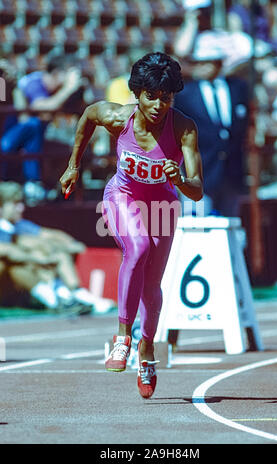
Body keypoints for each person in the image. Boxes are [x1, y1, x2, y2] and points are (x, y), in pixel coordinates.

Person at [60, 52, 203, 399]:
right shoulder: (116, 117)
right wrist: (73, 166)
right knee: (137, 247)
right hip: (122, 196)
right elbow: (87, 117)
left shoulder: (183, 128)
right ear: (137, 93)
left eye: (165, 98)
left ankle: (147, 350)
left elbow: (197, 191)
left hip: (163, 204)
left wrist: (180, 179)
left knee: (153, 282)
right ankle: (123, 337)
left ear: (173, 97)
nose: (157, 105)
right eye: (150, 96)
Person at [0, 181, 114, 314]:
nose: (21, 208)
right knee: (16, 262)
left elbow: (51, 234)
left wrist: (70, 244)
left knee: (51, 250)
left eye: (20, 203)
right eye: (14, 204)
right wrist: (39, 258)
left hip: (33, 279)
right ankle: (56, 300)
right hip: (9, 286)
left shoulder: (21, 225)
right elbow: (7, 251)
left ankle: (75, 294)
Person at [174, 42, 249, 217]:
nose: (201, 67)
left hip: (231, 172)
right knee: (197, 227)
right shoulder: (186, 94)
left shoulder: (238, 88)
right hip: (200, 173)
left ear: (219, 63)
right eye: (198, 62)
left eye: (206, 62)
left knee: (230, 226)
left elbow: (243, 126)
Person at [0, 55, 83, 191]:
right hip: (11, 137)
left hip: (33, 141)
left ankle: (52, 190)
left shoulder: (56, 91)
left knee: (70, 151)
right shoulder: (35, 82)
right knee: (34, 124)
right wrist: (68, 88)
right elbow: (43, 108)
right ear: (57, 73)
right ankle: (33, 183)